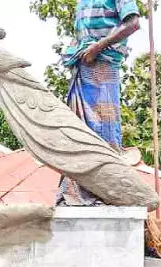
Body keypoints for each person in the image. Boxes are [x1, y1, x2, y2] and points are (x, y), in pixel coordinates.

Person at [56, 0, 141, 206]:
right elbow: (82, 35)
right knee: (78, 131)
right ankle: (77, 188)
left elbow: (133, 23)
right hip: (84, 67)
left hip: (103, 66)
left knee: (104, 129)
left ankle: (105, 188)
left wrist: (98, 46)